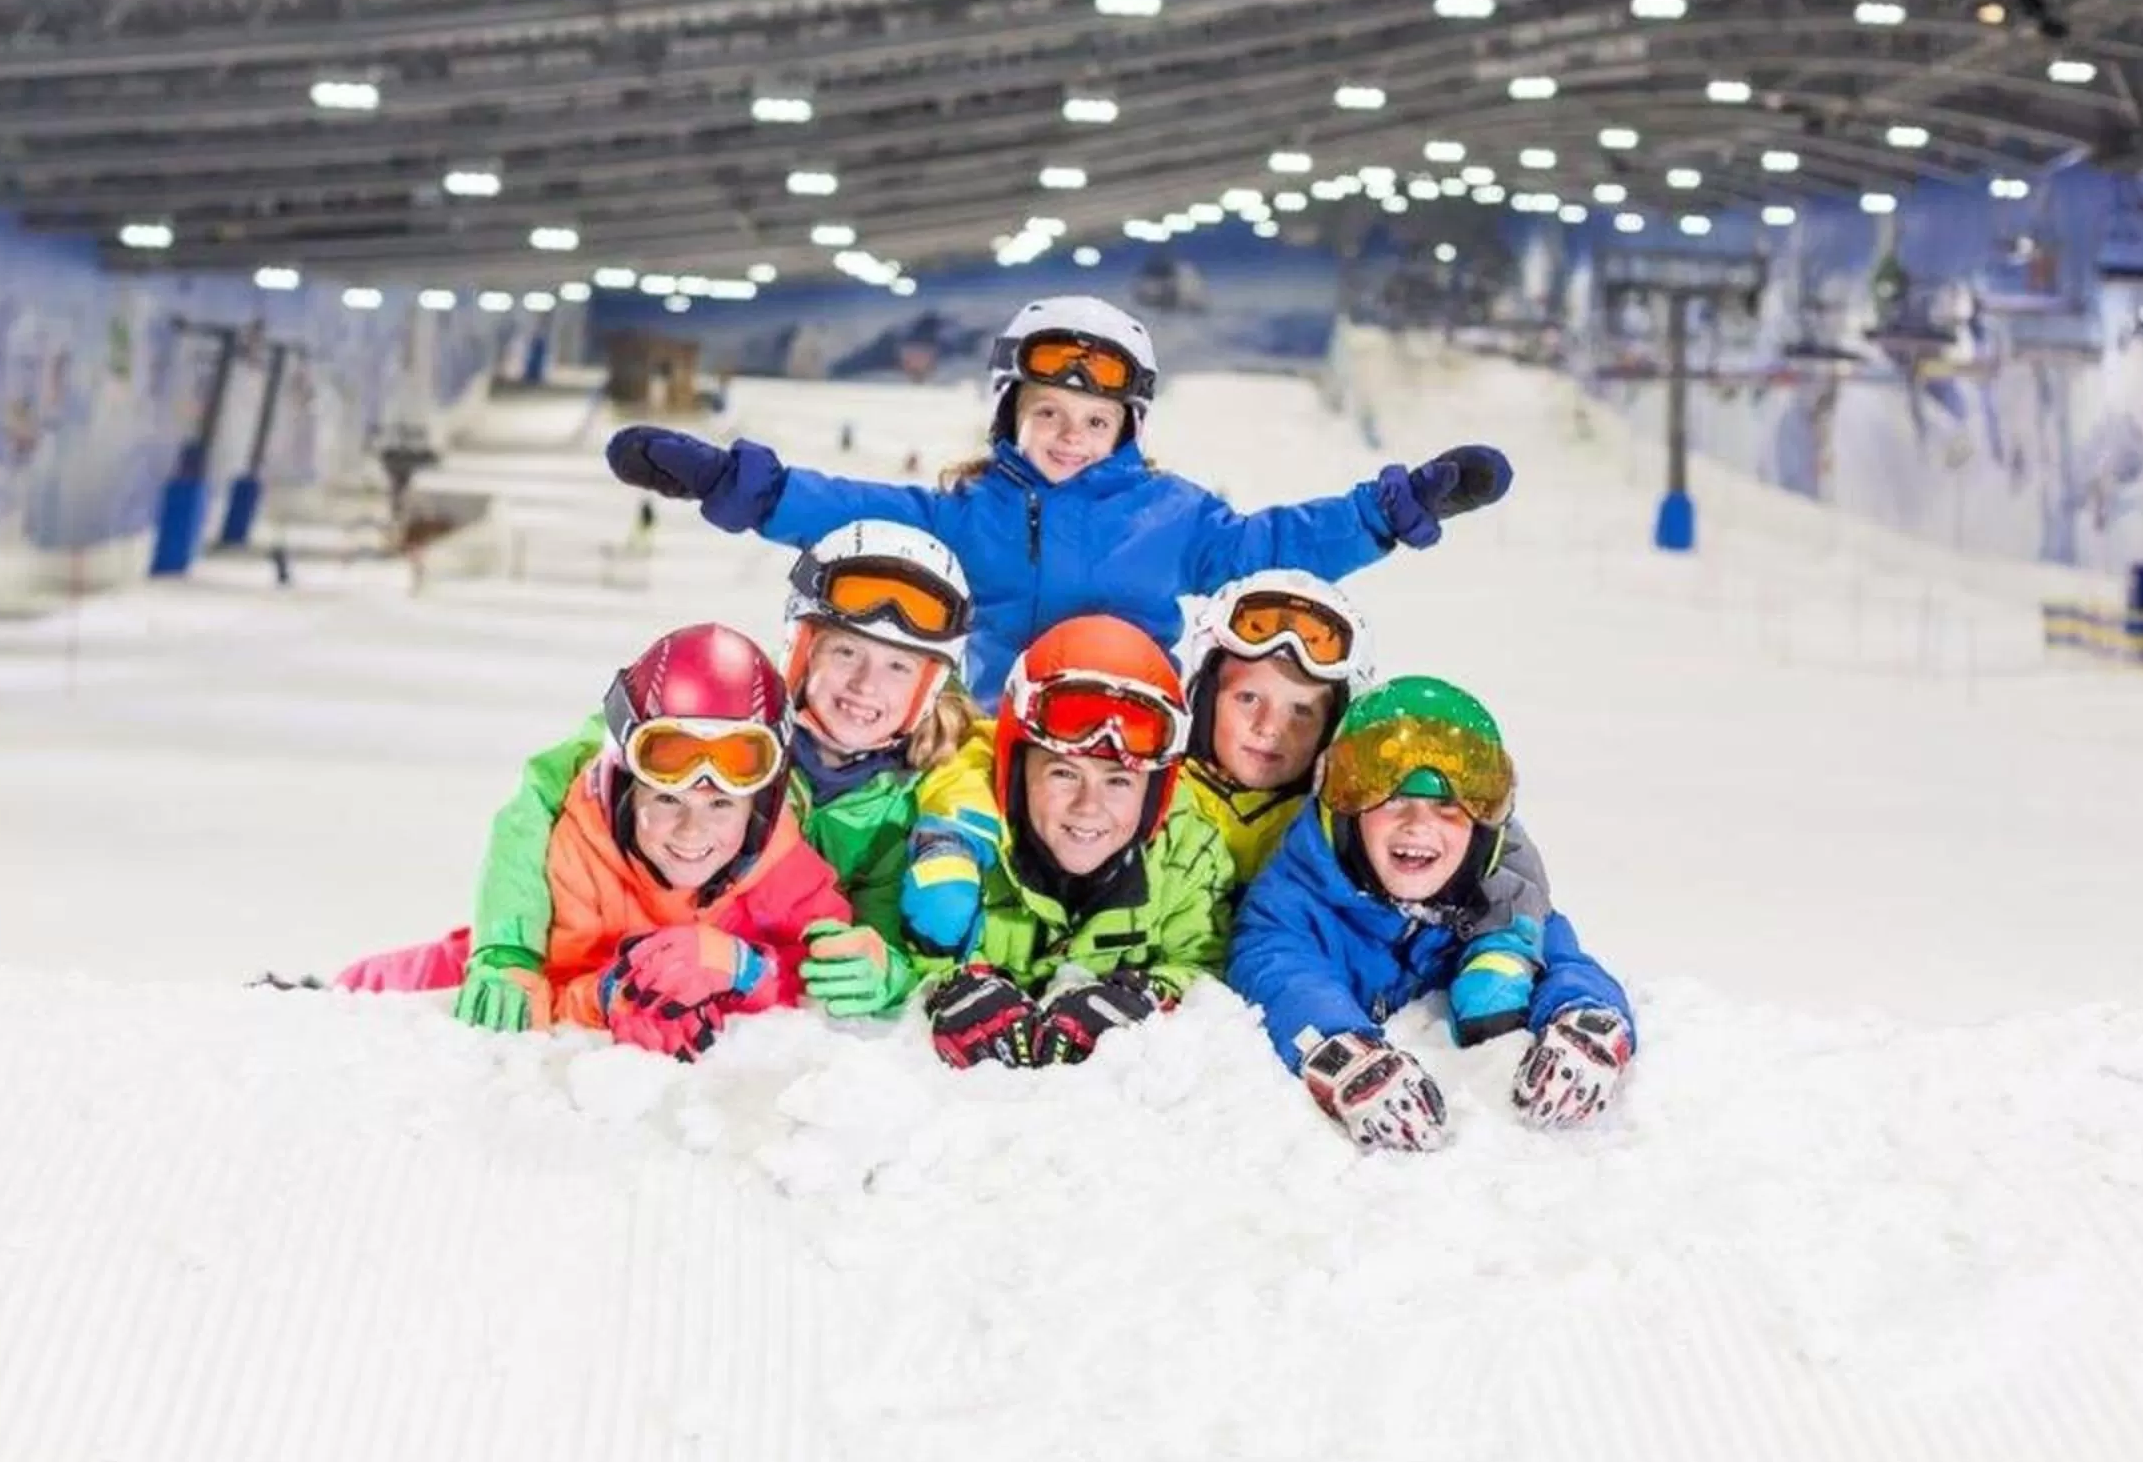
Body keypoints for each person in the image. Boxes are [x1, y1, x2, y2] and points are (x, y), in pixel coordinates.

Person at [599, 295, 1515, 691]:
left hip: (1131, 736)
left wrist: (1387, 511)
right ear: (1010, 415)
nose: (1069, 436)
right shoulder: (967, 517)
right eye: (1048, 413)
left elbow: (1275, 546)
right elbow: (850, 514)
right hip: (999, 732)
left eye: (1094, 420)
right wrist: (736, 485)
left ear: (1128, 429)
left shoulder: (1176, 518)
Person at [331, 525, 980, 1023]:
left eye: (899, 668)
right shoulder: (710, 715)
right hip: (594, 926)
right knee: (451, 966)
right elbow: (536, 808)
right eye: (846, 652)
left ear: (927, 687)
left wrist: (885, 972)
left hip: (718, 968)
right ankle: (322, 997)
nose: (866, 685)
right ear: (803, 650)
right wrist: (508, 949)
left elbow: (854, 936)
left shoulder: (906, 809)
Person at [374, 623, 853, 1060]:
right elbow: (547, 987)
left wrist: (744, 968)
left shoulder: (782, 862)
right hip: (526, 956)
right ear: (626, 787)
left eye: (722, 805)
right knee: (438, 969)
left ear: (759, 808)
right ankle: (324, 988)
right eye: (667, 800)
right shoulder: (579, 852)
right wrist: (607, 994)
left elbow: (821, 964)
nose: (692, 830)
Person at [1224, 675, 1635, 1151]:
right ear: (1343, 810)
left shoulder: (1493, 897)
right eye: (1392, 798)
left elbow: (1562, 957)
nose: (1417, 825)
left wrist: (1585, 1014)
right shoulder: (1292, 900)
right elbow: (1281, 974)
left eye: (1447, 808)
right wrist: (1342, 1052)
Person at [903, 615, 1238, 1070]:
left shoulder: (1186, 855)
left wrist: (1143, 995)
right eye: (1063, 773)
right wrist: (950, 984)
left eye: (1119, 781)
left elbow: (1204, 965)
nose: (1088, 806)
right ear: (1016, 774)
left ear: (1155, 795)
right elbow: (896, 944)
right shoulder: (965, 839)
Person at [1173, 570, 1375, 886]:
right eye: (1248, 698)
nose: (1269, 728)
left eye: (1301, 711)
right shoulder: (1156, 796)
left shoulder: (1332, 829)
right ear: (1208, 699)